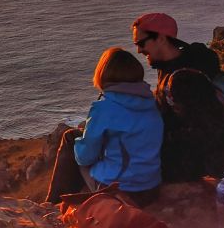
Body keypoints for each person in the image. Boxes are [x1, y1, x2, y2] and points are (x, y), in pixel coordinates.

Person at [46, 48, 163, 207]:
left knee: (71, 139)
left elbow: (84, 158)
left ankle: (53, 204)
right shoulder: (152, 103)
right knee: (85, 138)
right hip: (150, 187)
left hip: (123, 191)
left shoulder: (105, 108)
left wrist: (84, 145)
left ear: (103, 74)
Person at [131, 12, 224, 181]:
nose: (138, 50)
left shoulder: (185, 79)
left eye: (141, 43)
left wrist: (155, 137)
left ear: (160, 38)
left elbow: (207, 131)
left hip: (194, 167)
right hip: (187, 159)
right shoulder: (167, 67)